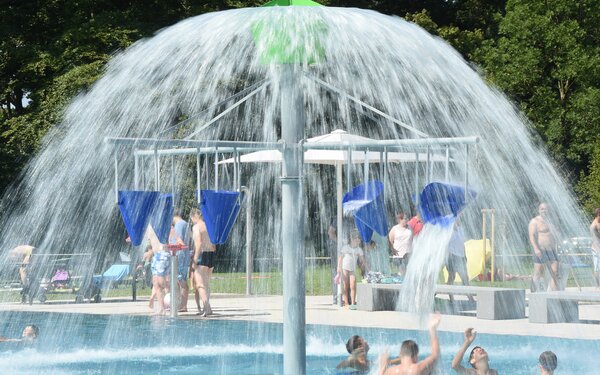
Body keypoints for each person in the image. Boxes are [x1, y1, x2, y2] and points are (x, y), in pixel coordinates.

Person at [529, 202, 560, 291]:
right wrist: (536, 248)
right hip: (540, 250)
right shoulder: (534, 221)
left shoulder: (552, 221)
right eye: (542, 209)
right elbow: (531, 235)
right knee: (538, 272)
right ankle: (533, 292)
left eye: (545, 209)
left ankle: (552, 295)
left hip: (552, 250)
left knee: (555, 272)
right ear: (539, 210)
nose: (544, 210)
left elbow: (556, 234)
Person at [191, 208, 216, 317]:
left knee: (200, 284)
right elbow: (214, 243)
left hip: (202, 255)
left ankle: (207, 308)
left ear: (194, 217)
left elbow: (199, 243)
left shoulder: (196, 227)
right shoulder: (209, 225)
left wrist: (195, 258)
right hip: (211, 254)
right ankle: (208, 307)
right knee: (206, 284)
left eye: (192, 219)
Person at [446, 220, 474, 303]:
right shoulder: (448, 231)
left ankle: (470, 296)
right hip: (452, 256)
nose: (458, 221)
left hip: (461, 256)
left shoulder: (461, 229)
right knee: (452, 276)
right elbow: (445, 245)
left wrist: (465, 255)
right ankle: (451, 297)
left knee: (465, 277)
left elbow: (462, 243)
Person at [337, 230, 365, 309]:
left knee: (353, 285)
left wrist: (364, 267)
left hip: (352, 269)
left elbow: (362, 260)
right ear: (352, 239)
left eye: (359, 239)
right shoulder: (346, 247)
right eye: (357, 238)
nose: (359, 240)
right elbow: (340, 257)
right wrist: (338, 267)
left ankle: (353, 303)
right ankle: (346, 303)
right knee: (346, 285)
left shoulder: (359, 249)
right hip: (345, 268)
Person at [145, 226, 170, 315]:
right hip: (157, 256)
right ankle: (161, 308)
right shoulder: (151, 225)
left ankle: (172, 300)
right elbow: (151, 244)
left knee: (162, 284)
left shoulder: (156, 223)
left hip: (161, 255)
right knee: (156, 283)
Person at [171, 209, 191, 312]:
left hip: (179, 255)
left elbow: (179, 242)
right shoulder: (186, 224)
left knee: (180, 280)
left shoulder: (178, 225)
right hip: (184, 255)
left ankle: (183, 305)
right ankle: (181, 304)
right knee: (180, 280)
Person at [328, 218, 339, 304]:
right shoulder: (338, 218)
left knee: (347, 270)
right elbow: (331, 232)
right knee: (336, 270)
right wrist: (339, 242)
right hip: (336, 247)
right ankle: (336, 297)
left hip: (345, 246)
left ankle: (347, 296)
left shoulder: (350, 219)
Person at [590, 208, 600, 289]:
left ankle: (597, 286)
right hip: (597, 248)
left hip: (595, 247)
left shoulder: (594, 223)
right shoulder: (596, 224)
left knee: (596, 267)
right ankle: (597, 286)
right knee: (597, 268)